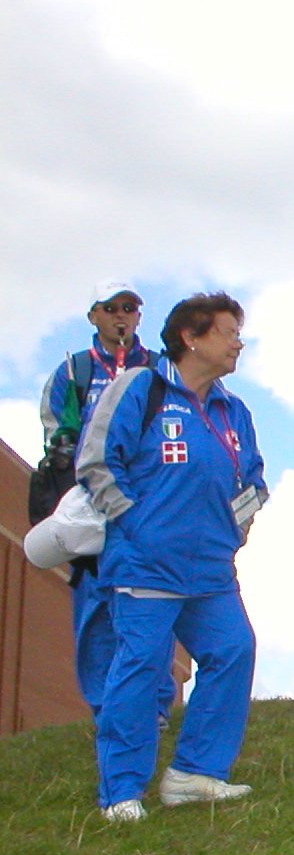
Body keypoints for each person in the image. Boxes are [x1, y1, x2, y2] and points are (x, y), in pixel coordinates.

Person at [76, 292, 268, 822]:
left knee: (233, 650)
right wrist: (134, 523)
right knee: (141, 669)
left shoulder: (234, 410)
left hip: (212, 568)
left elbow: (253, 478)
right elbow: (96, 462)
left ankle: (194, 774)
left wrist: (239, 526)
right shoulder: (140, 387)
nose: (238, 343)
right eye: (229, 333)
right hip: (144, 564)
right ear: (192, 336)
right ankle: (121, 790)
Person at [38, 281, 177, 731]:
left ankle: (155, 705)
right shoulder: (75, 370)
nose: (122, 316)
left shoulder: (159, 368)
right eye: (111, 308)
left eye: (131, 308)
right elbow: (57, 426)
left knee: (153, 599)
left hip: (148, 501)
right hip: (92, 502)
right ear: (93, 316)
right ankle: (105, 708)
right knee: (96, 607)